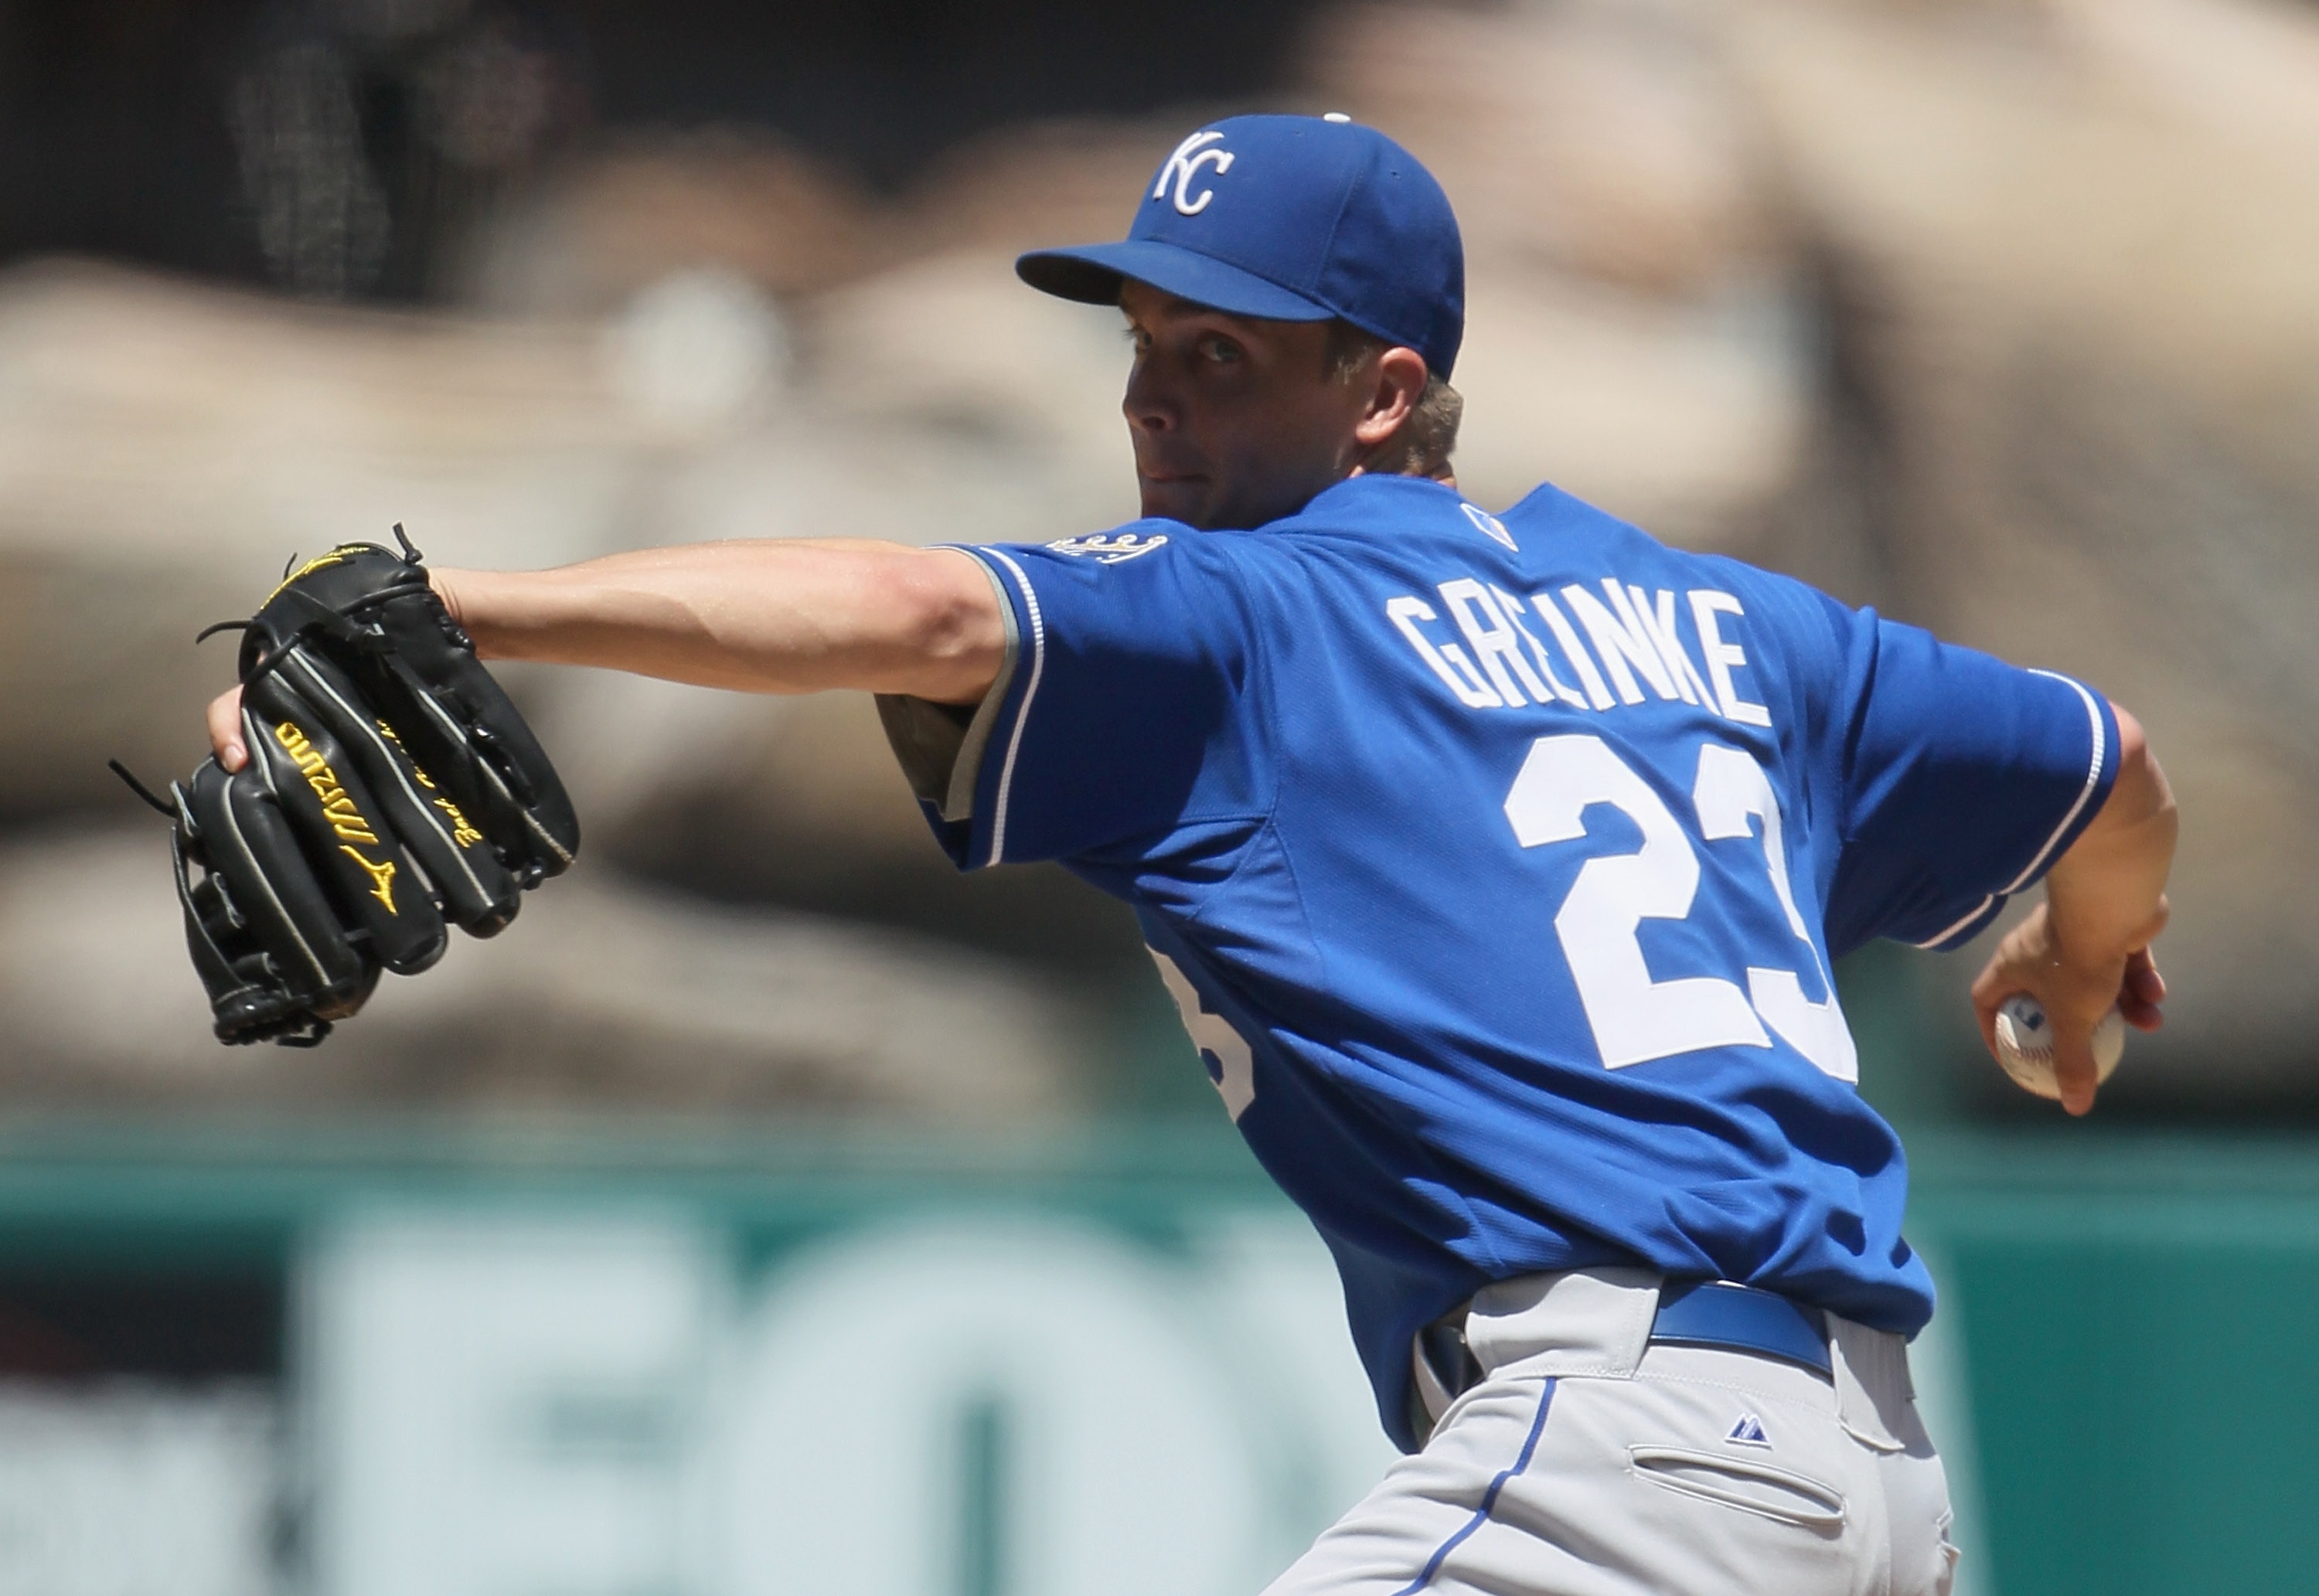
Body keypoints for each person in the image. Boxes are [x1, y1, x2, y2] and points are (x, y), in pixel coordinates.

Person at [205, 114, 2175, 1594]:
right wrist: (2082, 960)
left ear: (1383, 394)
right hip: (1882, 1487)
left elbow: (917, 603)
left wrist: (470, 600)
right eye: (1142, 340)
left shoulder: (1253, 610)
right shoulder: (1749, 629)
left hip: (1634, 1458)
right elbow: (2111, 764)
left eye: (1221, 356)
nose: (1150, 397)